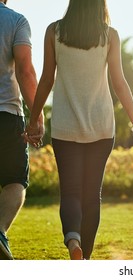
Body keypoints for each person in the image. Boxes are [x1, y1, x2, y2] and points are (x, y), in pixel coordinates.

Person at [24, 0, 133, 260]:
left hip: (65, 128)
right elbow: (119, 83)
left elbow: (47, 79)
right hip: (101, 128)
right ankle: (85, 260)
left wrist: (34, 120)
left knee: (70, 192)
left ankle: (73, 242)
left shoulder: (53, 31)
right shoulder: (109, 35)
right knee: (92, 195)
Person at [0, 0, 44, 260]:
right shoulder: (16, 21)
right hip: (6, 115)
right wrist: (37, 115)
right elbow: (25, 71)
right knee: (15, 181)